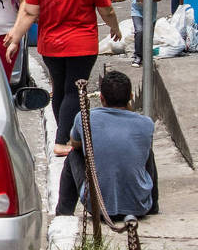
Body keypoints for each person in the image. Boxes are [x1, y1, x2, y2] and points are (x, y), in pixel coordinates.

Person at [8, 0, 120, 216]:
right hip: (83, 44)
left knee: (61, 89)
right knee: (73, 90)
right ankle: (62, 140)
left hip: (51, 45)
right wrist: (115, 27)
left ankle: (65, 134)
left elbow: (30, 12)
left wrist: (16, 37)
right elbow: (105, 9)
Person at [64, 69, 158, 221]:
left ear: (101, 98)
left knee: (73, 154)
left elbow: (75, 144)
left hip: (97, 207)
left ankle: (63, 212)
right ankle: (153, 207)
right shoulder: (146, 123)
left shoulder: (84, 117)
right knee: (148, 153)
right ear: (131, 97)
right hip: (139, 206)